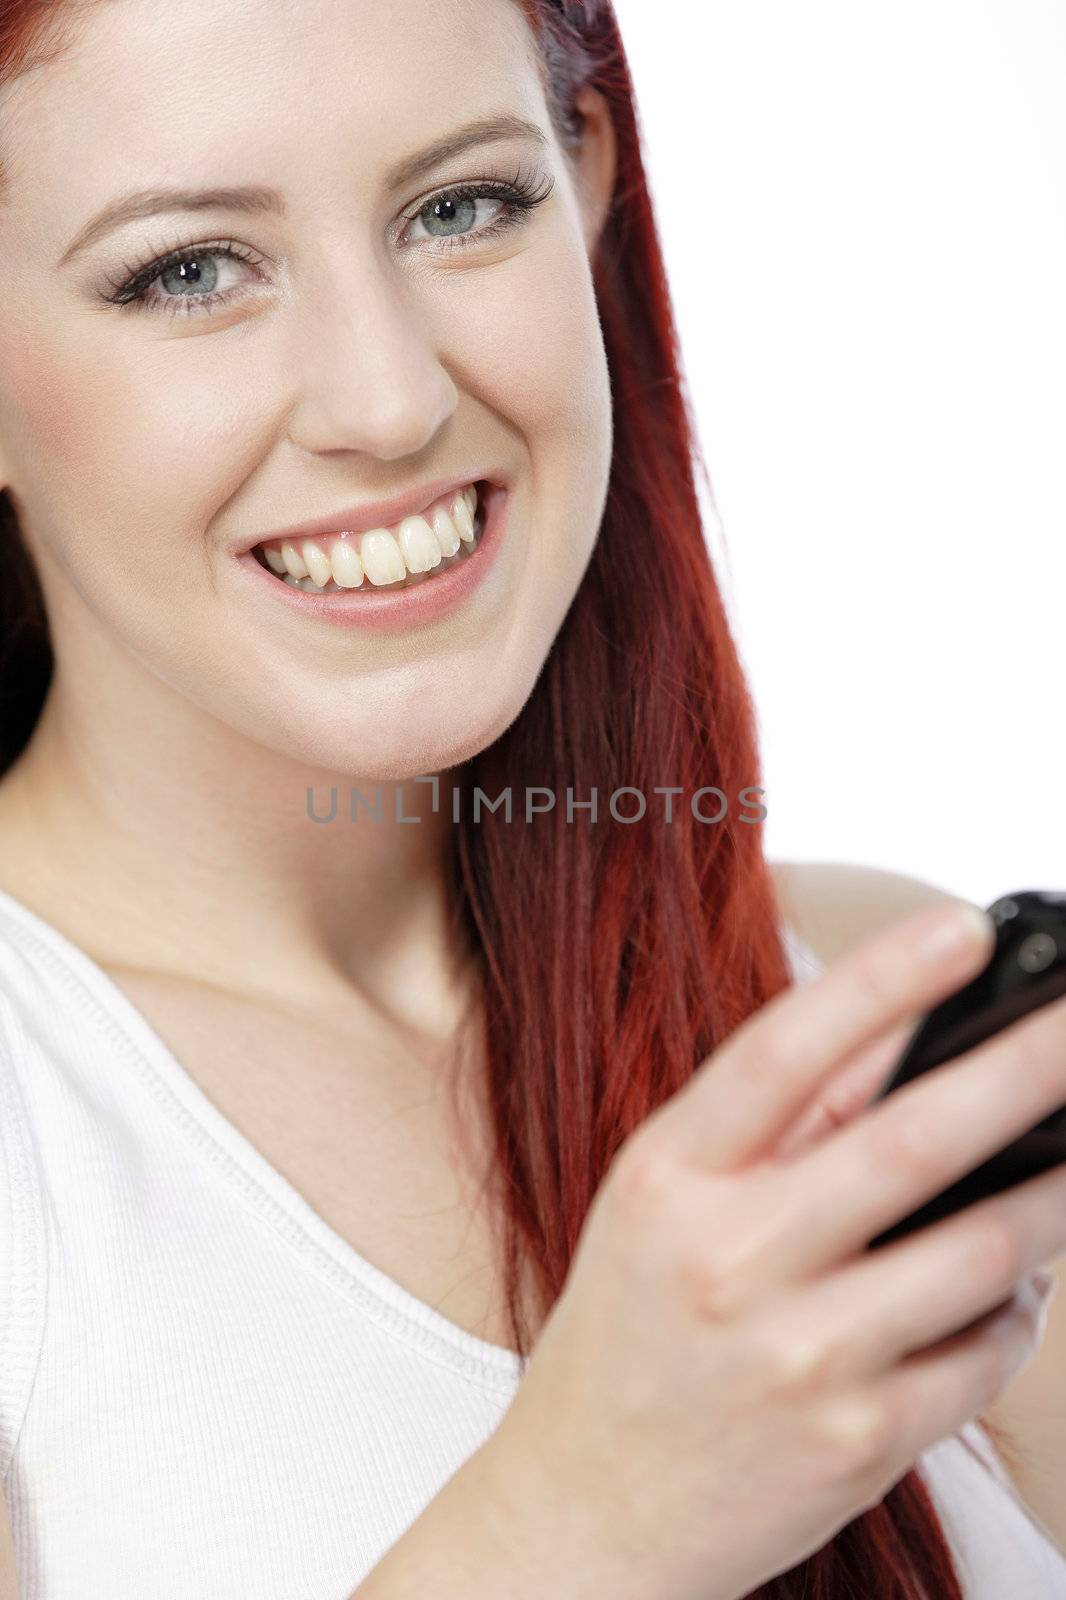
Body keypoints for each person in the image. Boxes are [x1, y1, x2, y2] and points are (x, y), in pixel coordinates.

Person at [0, 1, 1064, 1596]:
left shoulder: (853, 1004)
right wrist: (590, 1517)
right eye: (188, 271)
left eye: (460, 207)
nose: (389, 400)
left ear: (588, 180)